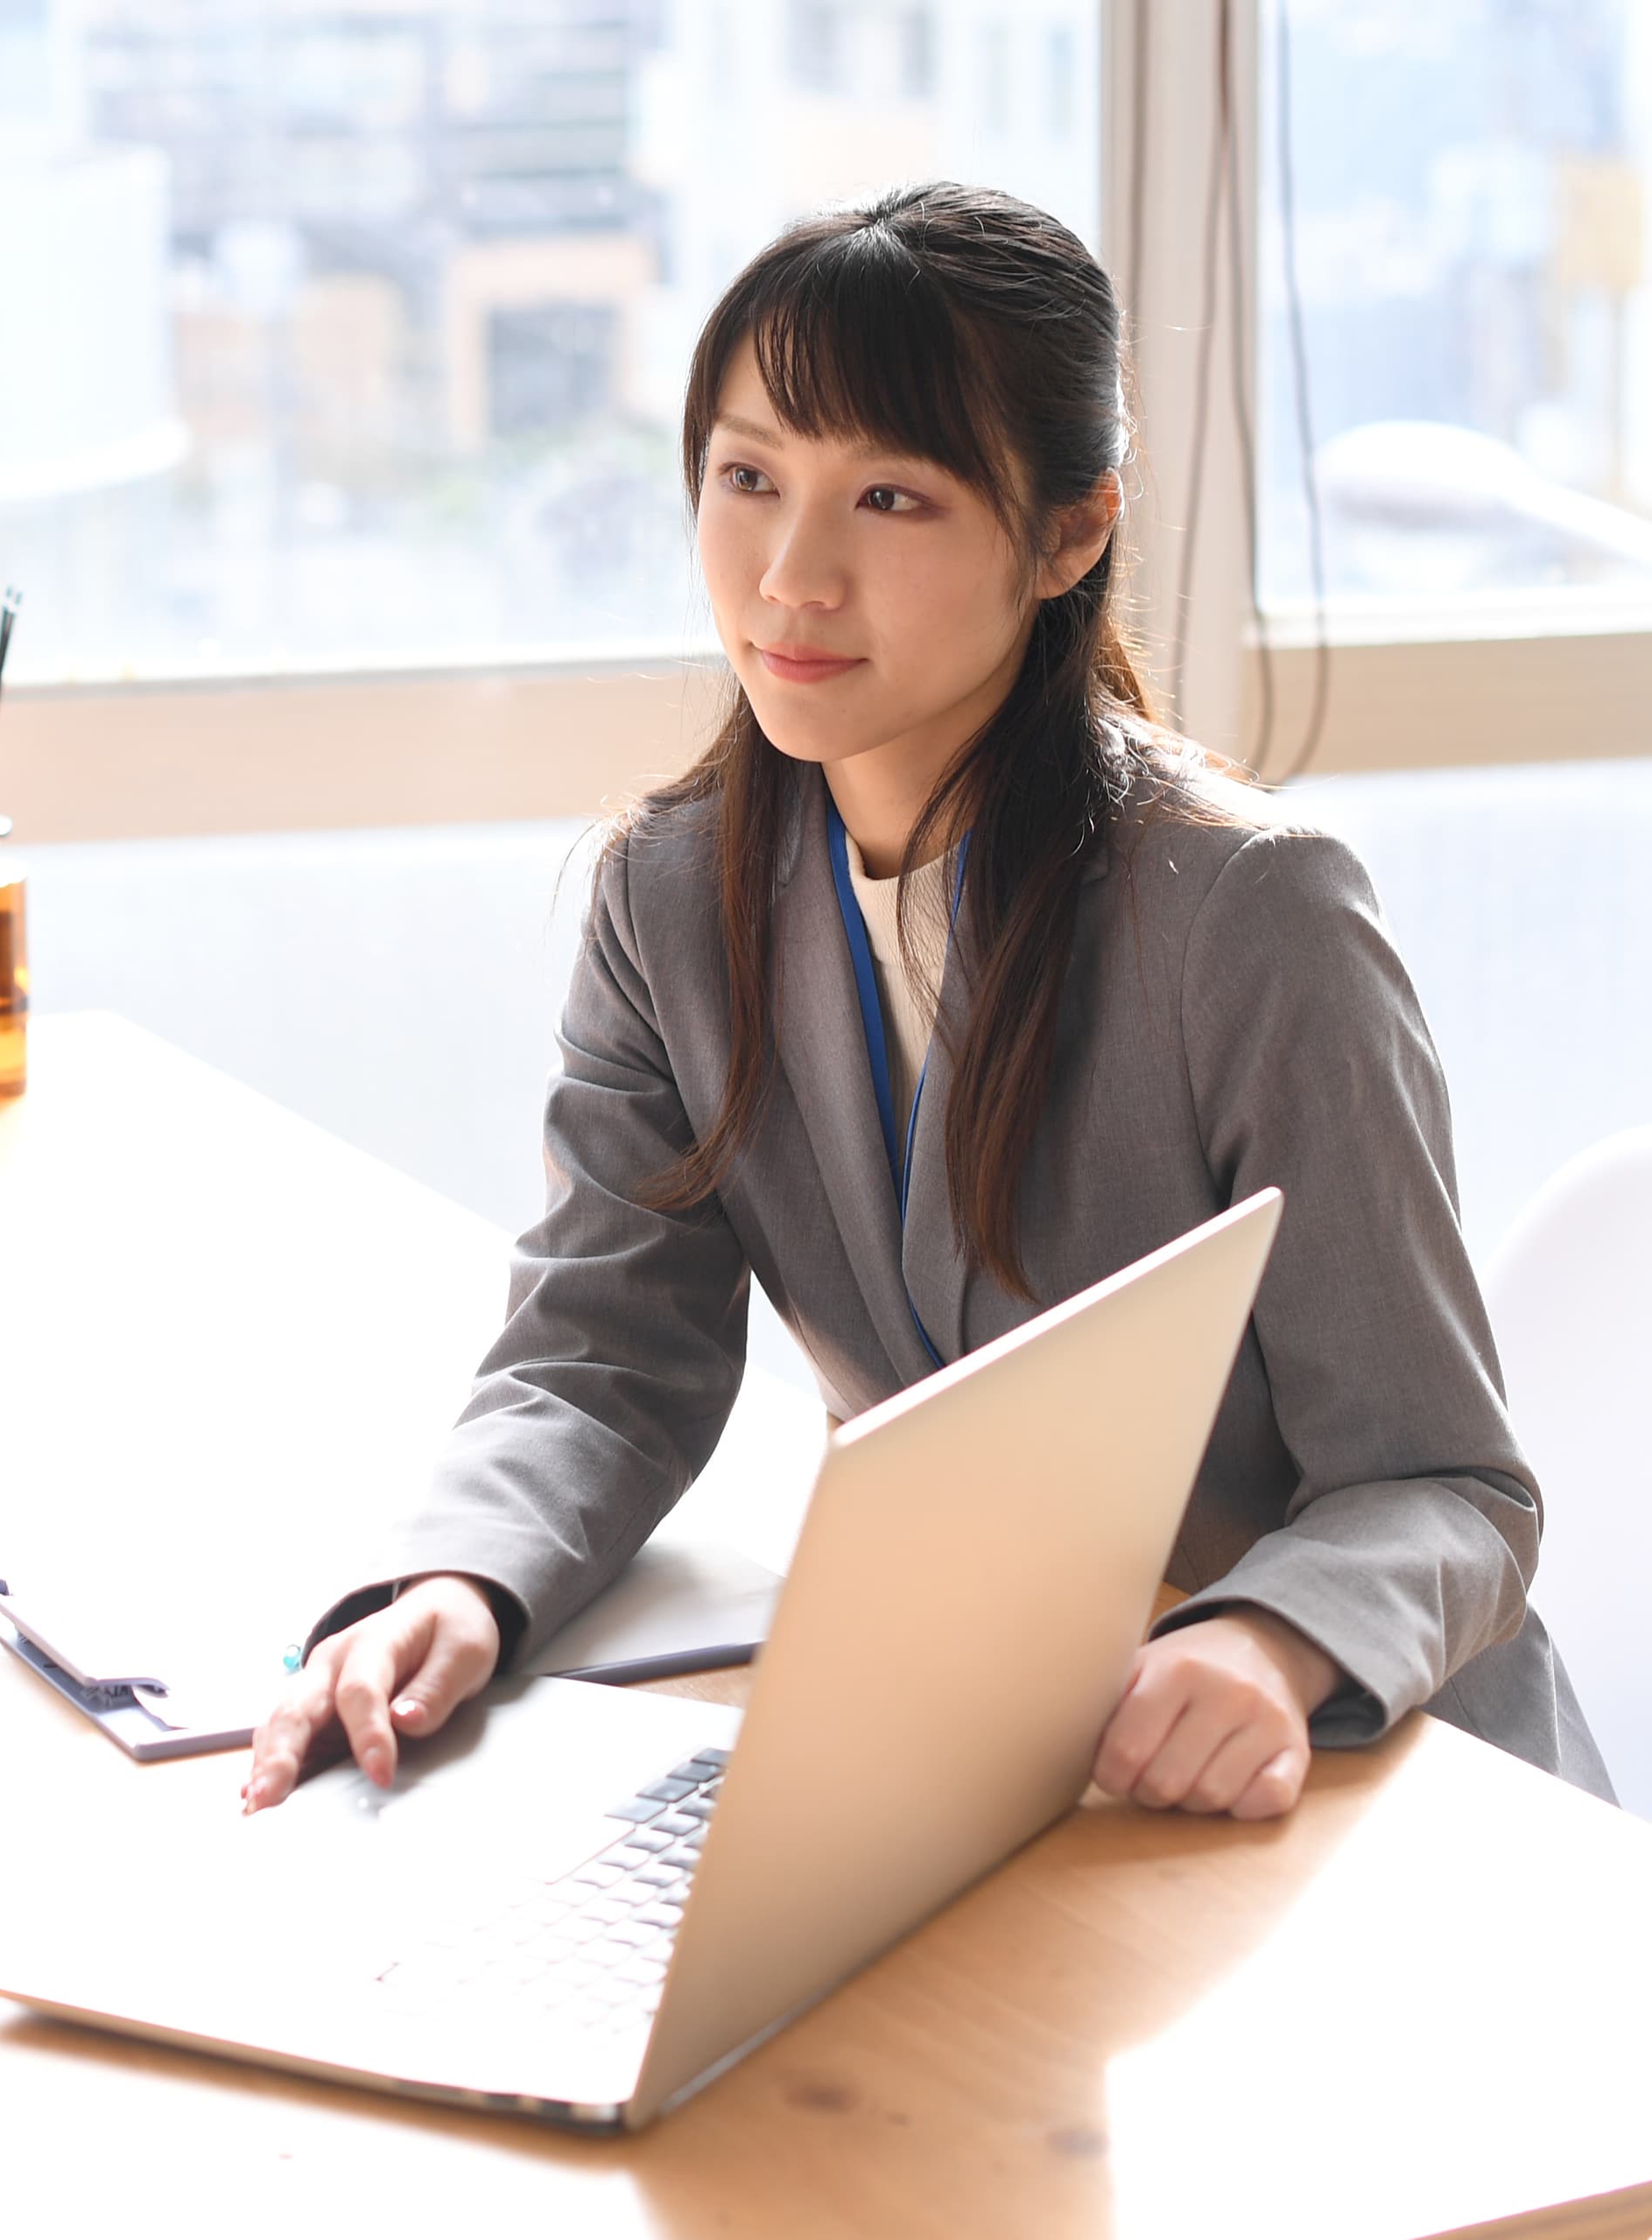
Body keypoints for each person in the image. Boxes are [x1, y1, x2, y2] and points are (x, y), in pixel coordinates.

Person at [244, 183, 1607, 1825]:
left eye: (890, 497)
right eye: (748, 479)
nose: (793, 576)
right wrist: (458, 1588)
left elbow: (1443, 1483)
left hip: (1375, 1791)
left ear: (1069, 532)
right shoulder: (670, 896)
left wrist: (1265, 1641)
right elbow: (602, 1358)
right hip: (1002, 1775)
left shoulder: (1251, 914)